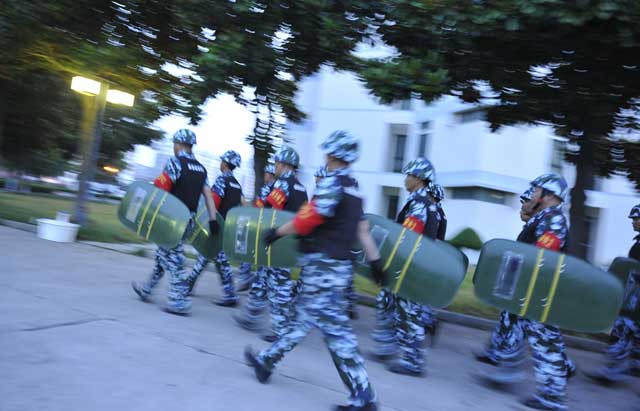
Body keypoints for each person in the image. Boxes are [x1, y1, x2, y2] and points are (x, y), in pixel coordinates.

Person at [244, 130, 384, 411]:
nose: (325, 156)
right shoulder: (354, 188)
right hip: (338, 268)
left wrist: (277, 233)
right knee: (303, 320)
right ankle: (266, 362)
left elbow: (308, 219)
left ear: (333, 155)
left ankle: (364, 397)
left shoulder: (332, 183)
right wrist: (376, 261)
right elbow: (362, 229)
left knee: (338, 333)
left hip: (323, 268)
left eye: (328, 152)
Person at [480, 173, 574, 411]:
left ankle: (552, 396)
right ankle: (512, 373)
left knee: (546, 342)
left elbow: (541, 258)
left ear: (548, 195)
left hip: (541, 294)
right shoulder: (544, 218)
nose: (531, 195)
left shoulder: (553, 220)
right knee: (530, 335)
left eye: (536, 190)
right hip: (532, 293)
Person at [131, 129, 218, 315]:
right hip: (188, 222)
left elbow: (160, 190)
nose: (174, 147)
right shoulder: (202, 169)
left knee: (174, 259)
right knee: (164, 255)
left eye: (174, 144)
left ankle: (179, 302)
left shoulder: (175, 163)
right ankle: (147, 289)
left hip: (171, 221)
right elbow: (208, 196)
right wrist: (212, 219)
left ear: (178, 144)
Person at [371, 157, 439, 376]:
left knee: (410, 316)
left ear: (419, 178)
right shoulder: (423, 202)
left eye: (409, 175)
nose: (406, 179)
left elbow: (407, 238)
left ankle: (413, 362)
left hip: (410, 269)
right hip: (414, 267)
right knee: (400, 311)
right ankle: (394, 350)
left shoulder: (419, 204)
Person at [259, 146, 308, 341]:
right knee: (283, 283)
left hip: (278, 239)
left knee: (278, 286)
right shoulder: (302, 188)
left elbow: (270, 210)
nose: (275, 167)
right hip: (292, 240)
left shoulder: (282, 184)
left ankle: (281, 330)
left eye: (277, 164)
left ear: (284, 164)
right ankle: (284, 326)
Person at [587, 204, 640, 384]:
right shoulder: (638, 242)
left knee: (623, 329)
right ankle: (634, 365)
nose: (633, 222)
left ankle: (612, 371)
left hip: (635, 302)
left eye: (637, 219)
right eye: (633, 219)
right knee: (633, 333)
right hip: (633, 297)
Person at [185, 150, 243, 307]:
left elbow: (213, 202)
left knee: (220, 261)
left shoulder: (222, 180)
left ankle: (230, 294)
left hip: (217, 226)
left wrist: (209, 220)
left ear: (225, 163)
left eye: (222, 161)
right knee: (205, 255)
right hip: (227, 227)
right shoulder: (237, 185)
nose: (220, 163)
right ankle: (188, 285)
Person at [235, 164, 277, 293]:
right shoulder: (278, 188)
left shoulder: (267, 189)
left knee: (248, 251)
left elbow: (259, 207)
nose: (264, 176)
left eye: (266, 173)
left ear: (270, 175)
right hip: (272, 227)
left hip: (260, 225)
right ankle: (261, 283)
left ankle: (245, 279)